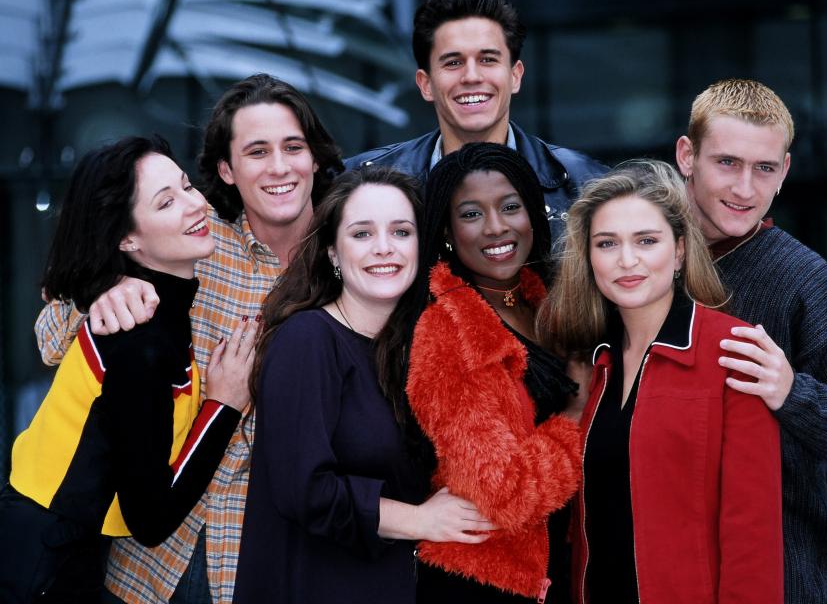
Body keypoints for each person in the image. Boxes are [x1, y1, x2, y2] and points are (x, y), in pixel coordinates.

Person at [32, 74, 345, 603]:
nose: (278, 167)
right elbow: (50, 339)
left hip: (272, 557)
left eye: (293, 147)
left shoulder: (354, 262)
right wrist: (102, 296)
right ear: (227, 169)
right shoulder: (189, 244)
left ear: (315, 157)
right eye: (256, 151)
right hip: (145, 567)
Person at [673, 78, 827, 602]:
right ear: (687, 155)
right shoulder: (636, 257)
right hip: (659, 567)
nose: (745, 189)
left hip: (786, 576)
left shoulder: (807, 281)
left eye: (765, 169)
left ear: (786, 172)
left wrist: (791, 391)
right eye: (727, 163)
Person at [0, 136, 252, 603]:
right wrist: (224, 406)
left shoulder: (152, 310)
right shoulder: (139, 338)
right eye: (166, 202)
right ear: (127, 238)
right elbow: (150, 518)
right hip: (42, 562)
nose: (195, 205)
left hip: (54, 545)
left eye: (186, 187)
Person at [233, 166, 494, 603]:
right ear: (333, 252)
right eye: (361, 234)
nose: (384, 249)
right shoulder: (307, 341)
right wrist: (421, 520)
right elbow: (305, 490)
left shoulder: (414, 348)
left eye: (401, 231)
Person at [536, 159, 783, 603]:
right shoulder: (593, 361)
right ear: (589, 257)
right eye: (607, 243)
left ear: (681, 250)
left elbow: (753, 532)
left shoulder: (733, 352)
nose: (626, 260)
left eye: (646, 241)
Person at [403, 142, 582, 603]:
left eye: (509, 207)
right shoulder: (446, 331)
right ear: (446, 230)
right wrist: (577, 415)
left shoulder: (543, 303)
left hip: (554, 572)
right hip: (484, 583)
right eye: (471, 214)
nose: (497, 227)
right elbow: (505, 494)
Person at [344, 0, 607, 238]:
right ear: (426, 85)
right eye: (453, 62)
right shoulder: (359, 183)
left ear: (515, 76)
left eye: (488, 60)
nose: (471, 76)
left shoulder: (586, 183)